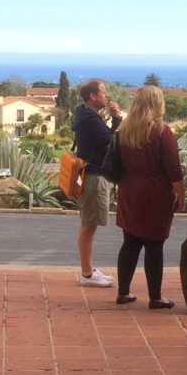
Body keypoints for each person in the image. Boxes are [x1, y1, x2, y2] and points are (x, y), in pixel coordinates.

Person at [114, 85, 185, 309]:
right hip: (155, 194)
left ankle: (123, 292)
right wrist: (181, 195)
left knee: (130, 243)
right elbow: (174, 168)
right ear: (157, 103)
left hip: (129, 191)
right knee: (154, 246)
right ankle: (156, 297)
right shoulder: (162, 132)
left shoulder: (124, 130)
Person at [71, 78, 121, 287]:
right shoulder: (91, 119)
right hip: (93, 176)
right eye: (103, 92)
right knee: (89, 225)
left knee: (89, 224)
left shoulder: (87, 115)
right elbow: (112, 142)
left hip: (90, 174)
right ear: (92, 96)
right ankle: (87, 274)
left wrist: (111, 119)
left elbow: (104, 139)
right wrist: (117, 119)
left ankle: (89, 270)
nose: (107, 95)